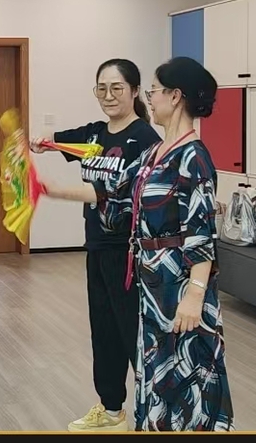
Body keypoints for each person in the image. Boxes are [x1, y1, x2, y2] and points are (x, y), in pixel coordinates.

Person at [43, 56, 234, 432]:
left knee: (186, 372)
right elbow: (112, 192)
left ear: (175, 96)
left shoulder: (193, 157)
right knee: (156, 371)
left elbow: (201, 233)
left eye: (154, 91)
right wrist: (50, 190)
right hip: (150, 280)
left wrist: (195, 294)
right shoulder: (154, 153)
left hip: (178, 283)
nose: (151, 98)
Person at [30, 58, 160, 432]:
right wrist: (43, 143)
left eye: (117, 88)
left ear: (135, 91)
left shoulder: (145, 140)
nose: (108, 95)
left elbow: (113, 192)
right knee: (104, 331)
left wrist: (52, 189)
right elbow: (58, 141)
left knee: (134, 334)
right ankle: (111, 409)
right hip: (98, 246)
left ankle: (155, 413)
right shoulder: (94, 135)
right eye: (102, 88)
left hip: (130, 253)